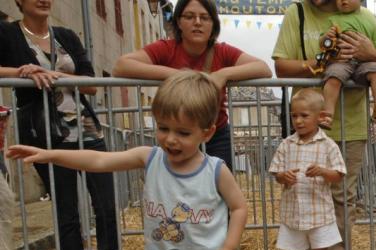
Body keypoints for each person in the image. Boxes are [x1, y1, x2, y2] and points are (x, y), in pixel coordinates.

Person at [9, 71, 248, 250]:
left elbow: (239, 208)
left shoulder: (215, 170)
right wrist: (50, 154)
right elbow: (99, 160)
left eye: (183, 133)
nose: (171, 139)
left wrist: (228, 248)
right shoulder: (150, 157)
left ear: (206, 134)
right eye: (163, 128)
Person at [0, 0, 119, 250]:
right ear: (19, 1)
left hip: (86, 127)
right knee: (66, 206)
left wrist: (60, 76)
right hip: (44, 132)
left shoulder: (65, 35)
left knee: (105, 199)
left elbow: (91, 84)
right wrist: (21, 72)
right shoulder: (7, 33)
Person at [273, 0, 376, 250]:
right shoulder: (298, 12)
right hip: (309, 127)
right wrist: (322, 59)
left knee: (343, 195)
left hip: (352, 124)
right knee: (305, 189)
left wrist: (372, 54)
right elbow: (281, 67)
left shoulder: (364, 16)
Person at [113, 0, 271, 172]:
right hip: (178, 133)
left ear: (213, 24)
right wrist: (178, 75)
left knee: (218, 190)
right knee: (179, 187)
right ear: (179, 22)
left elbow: (263, 68)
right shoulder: (166, 48)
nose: (197, 22)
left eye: (204, 17)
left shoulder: (222, 51)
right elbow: (121, 66)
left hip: (216, 134)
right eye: (189, 16)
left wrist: (223, 75)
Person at [269, 89, 346, 250]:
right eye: (294, 116)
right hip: (293, 213)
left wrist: (322, 171)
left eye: (304, 116)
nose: (298, 121)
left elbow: (338, 174)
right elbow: (276, 173)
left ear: (320, 117)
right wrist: (284, 177)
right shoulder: (287, 144)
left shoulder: (328, 145)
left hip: (319, 212)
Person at [318, 0, 376, 129]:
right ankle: (327, 114)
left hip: (365, 63)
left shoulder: (369, 20)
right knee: (333, 76)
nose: (342, 1)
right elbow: (323, 45)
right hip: (342, 62)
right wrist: (326, 38)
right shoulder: (333, 20)